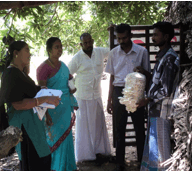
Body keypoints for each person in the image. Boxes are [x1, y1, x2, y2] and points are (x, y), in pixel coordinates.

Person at [0, 41, 61, 171]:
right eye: (27, 50)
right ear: (16, 53)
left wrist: (42, 92)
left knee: (39, 159)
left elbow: (28, 93)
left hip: (32, 124)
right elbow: (17, 104)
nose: (30, 54)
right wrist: (45, 98)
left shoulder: (19, 72)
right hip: (25, 127)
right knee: (35, 161)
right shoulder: (11, 74)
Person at [134, 21, 180, 171]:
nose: (153, 38)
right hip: (156, 109)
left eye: (156, 35)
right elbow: (158, 81)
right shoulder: (163, 56)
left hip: (162, 111)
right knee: (155, 146)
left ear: (166, 37)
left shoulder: (169, 59)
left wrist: (148, 99)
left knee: (161, 149)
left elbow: (166, 90)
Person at [105, 23, 151, 171]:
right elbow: (112, 77)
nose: (121, 41)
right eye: (119, 39)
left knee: (139, 129)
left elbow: (149, 75)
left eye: (124, 38)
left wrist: (143, 71)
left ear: (130, 36)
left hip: (137, 92)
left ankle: (141, 161)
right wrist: (109, 99)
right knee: (119, 129)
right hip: (119, 92)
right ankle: (120, 163)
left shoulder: (142, 52)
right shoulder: (113, 53)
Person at [68, 33, 111, 164]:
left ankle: (100, 152)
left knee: (98, 124)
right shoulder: (77, 58)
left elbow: (113, 51)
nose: (88, 45)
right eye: (85, 43)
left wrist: (113, 34)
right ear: (81, 44)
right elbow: (68, 73)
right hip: (82, 96)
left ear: (93, 41)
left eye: (89, 42)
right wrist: (72, 88)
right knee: (84, 126)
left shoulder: (100, 52)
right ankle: (85, 156)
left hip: (96, 94)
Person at [37, 37, 78, 171]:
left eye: (61, 47)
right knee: (54, 139)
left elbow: (69, 83)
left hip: (65, 108)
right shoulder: (43, 68)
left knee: (66, 138)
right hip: (52, 110)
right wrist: (47, 114)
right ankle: (56, 168)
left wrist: (72, 89)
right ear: (49, 50)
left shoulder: (64, 66)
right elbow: (42, 94)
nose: (60, 50)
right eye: (56, 47)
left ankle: (68, 167)